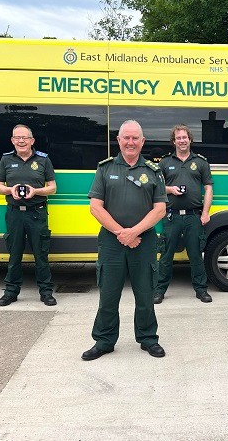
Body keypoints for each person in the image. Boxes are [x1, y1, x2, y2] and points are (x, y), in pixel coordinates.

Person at [82, 120, 167, 360]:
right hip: (112, 243)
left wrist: (134, 232)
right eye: (126, 138)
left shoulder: (153, 171)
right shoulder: (105, 169)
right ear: (118, 140)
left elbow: (160, 209)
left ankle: (148, 338)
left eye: (135, 138)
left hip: (144, 241)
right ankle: (104, 341)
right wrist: (123, 233)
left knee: (145, 294)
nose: (130, 142)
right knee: (108, 296)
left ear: (142, 141)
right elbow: (95, 207)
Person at [0, 124, 57, 307]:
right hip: (14, 214)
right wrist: (10, 189)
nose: (21, 141)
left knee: (41, 255)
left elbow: (52, 187)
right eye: (17, 138)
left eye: (25, 138)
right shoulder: (6, 160)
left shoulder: (43, 160)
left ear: (32, 140)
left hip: (37, 213)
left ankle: (46, 292)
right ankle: (11, 292)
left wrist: (35, 191)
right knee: (14, 255)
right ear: (12, 140)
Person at [154, 124, 214, 304]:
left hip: (193, 216)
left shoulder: (201, 162)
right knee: (166, 256)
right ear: (174, 141)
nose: (182, 141)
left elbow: (208, 188)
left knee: (195, 255)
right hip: (171, 216)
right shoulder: (165, 162)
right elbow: (156, 188)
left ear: (190, 140)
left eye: (184, 137)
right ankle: (159, 290)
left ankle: (201, 290)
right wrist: (171, 189)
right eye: (178, 138)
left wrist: (205, 213)